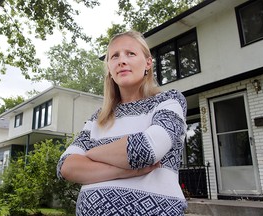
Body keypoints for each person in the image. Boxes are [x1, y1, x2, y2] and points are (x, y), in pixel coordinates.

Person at [57, 30, 187, 215]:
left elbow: (146, 150)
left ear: (148, 63)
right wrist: (126, 171)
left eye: (130, 54)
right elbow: (65, 167)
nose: (122, 60)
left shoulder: (168, 102)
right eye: (115, 56)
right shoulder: (97, 118)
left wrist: (91, 153)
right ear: (109, 68)